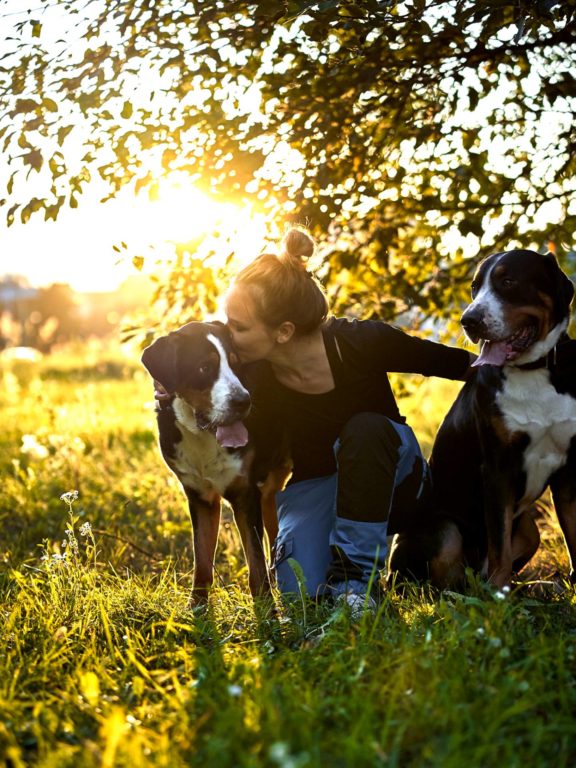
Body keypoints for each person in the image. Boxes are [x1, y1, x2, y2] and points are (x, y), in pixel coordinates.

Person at [223, 226, 474, 614]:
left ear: (283, 332)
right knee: (301, 595)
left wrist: (541, 361)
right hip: (320, 486)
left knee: (366, 428)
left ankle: (358, 584)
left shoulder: (360, 343)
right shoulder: (255, 378)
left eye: (238, 326)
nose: (229, 334)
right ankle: (344, 579)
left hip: (397, 480)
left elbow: (462, 365)